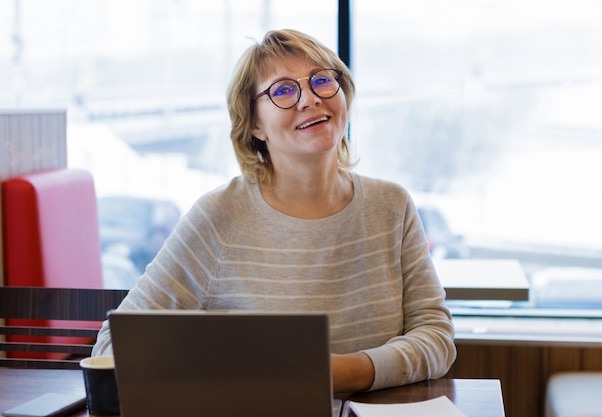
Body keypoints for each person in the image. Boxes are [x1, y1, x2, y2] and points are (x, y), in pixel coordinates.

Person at [93, 28, 456, 393]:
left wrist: (349, 372)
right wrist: (239, 371)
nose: (310, 99)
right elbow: (113, 346)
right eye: (283, 90)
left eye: (322, 80)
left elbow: (436, 334)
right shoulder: (219, 216)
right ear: (254, 124)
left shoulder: (392, 205)